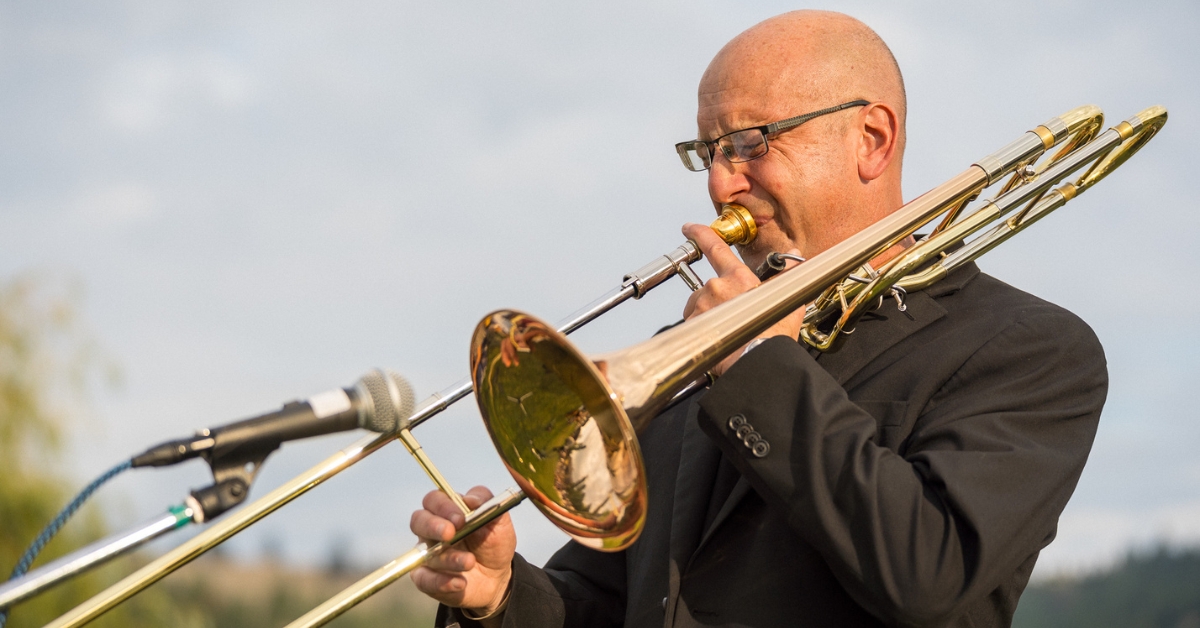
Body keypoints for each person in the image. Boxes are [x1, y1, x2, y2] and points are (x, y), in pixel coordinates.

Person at [408, 10, 1107, 627]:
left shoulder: (1030, 349)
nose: (719, 182)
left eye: (752, 142)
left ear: (870, 138)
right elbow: (607, 602)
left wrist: (758, 367)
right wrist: (499, 595)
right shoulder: (689, 356)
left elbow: (928, 574)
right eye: (707, 151)